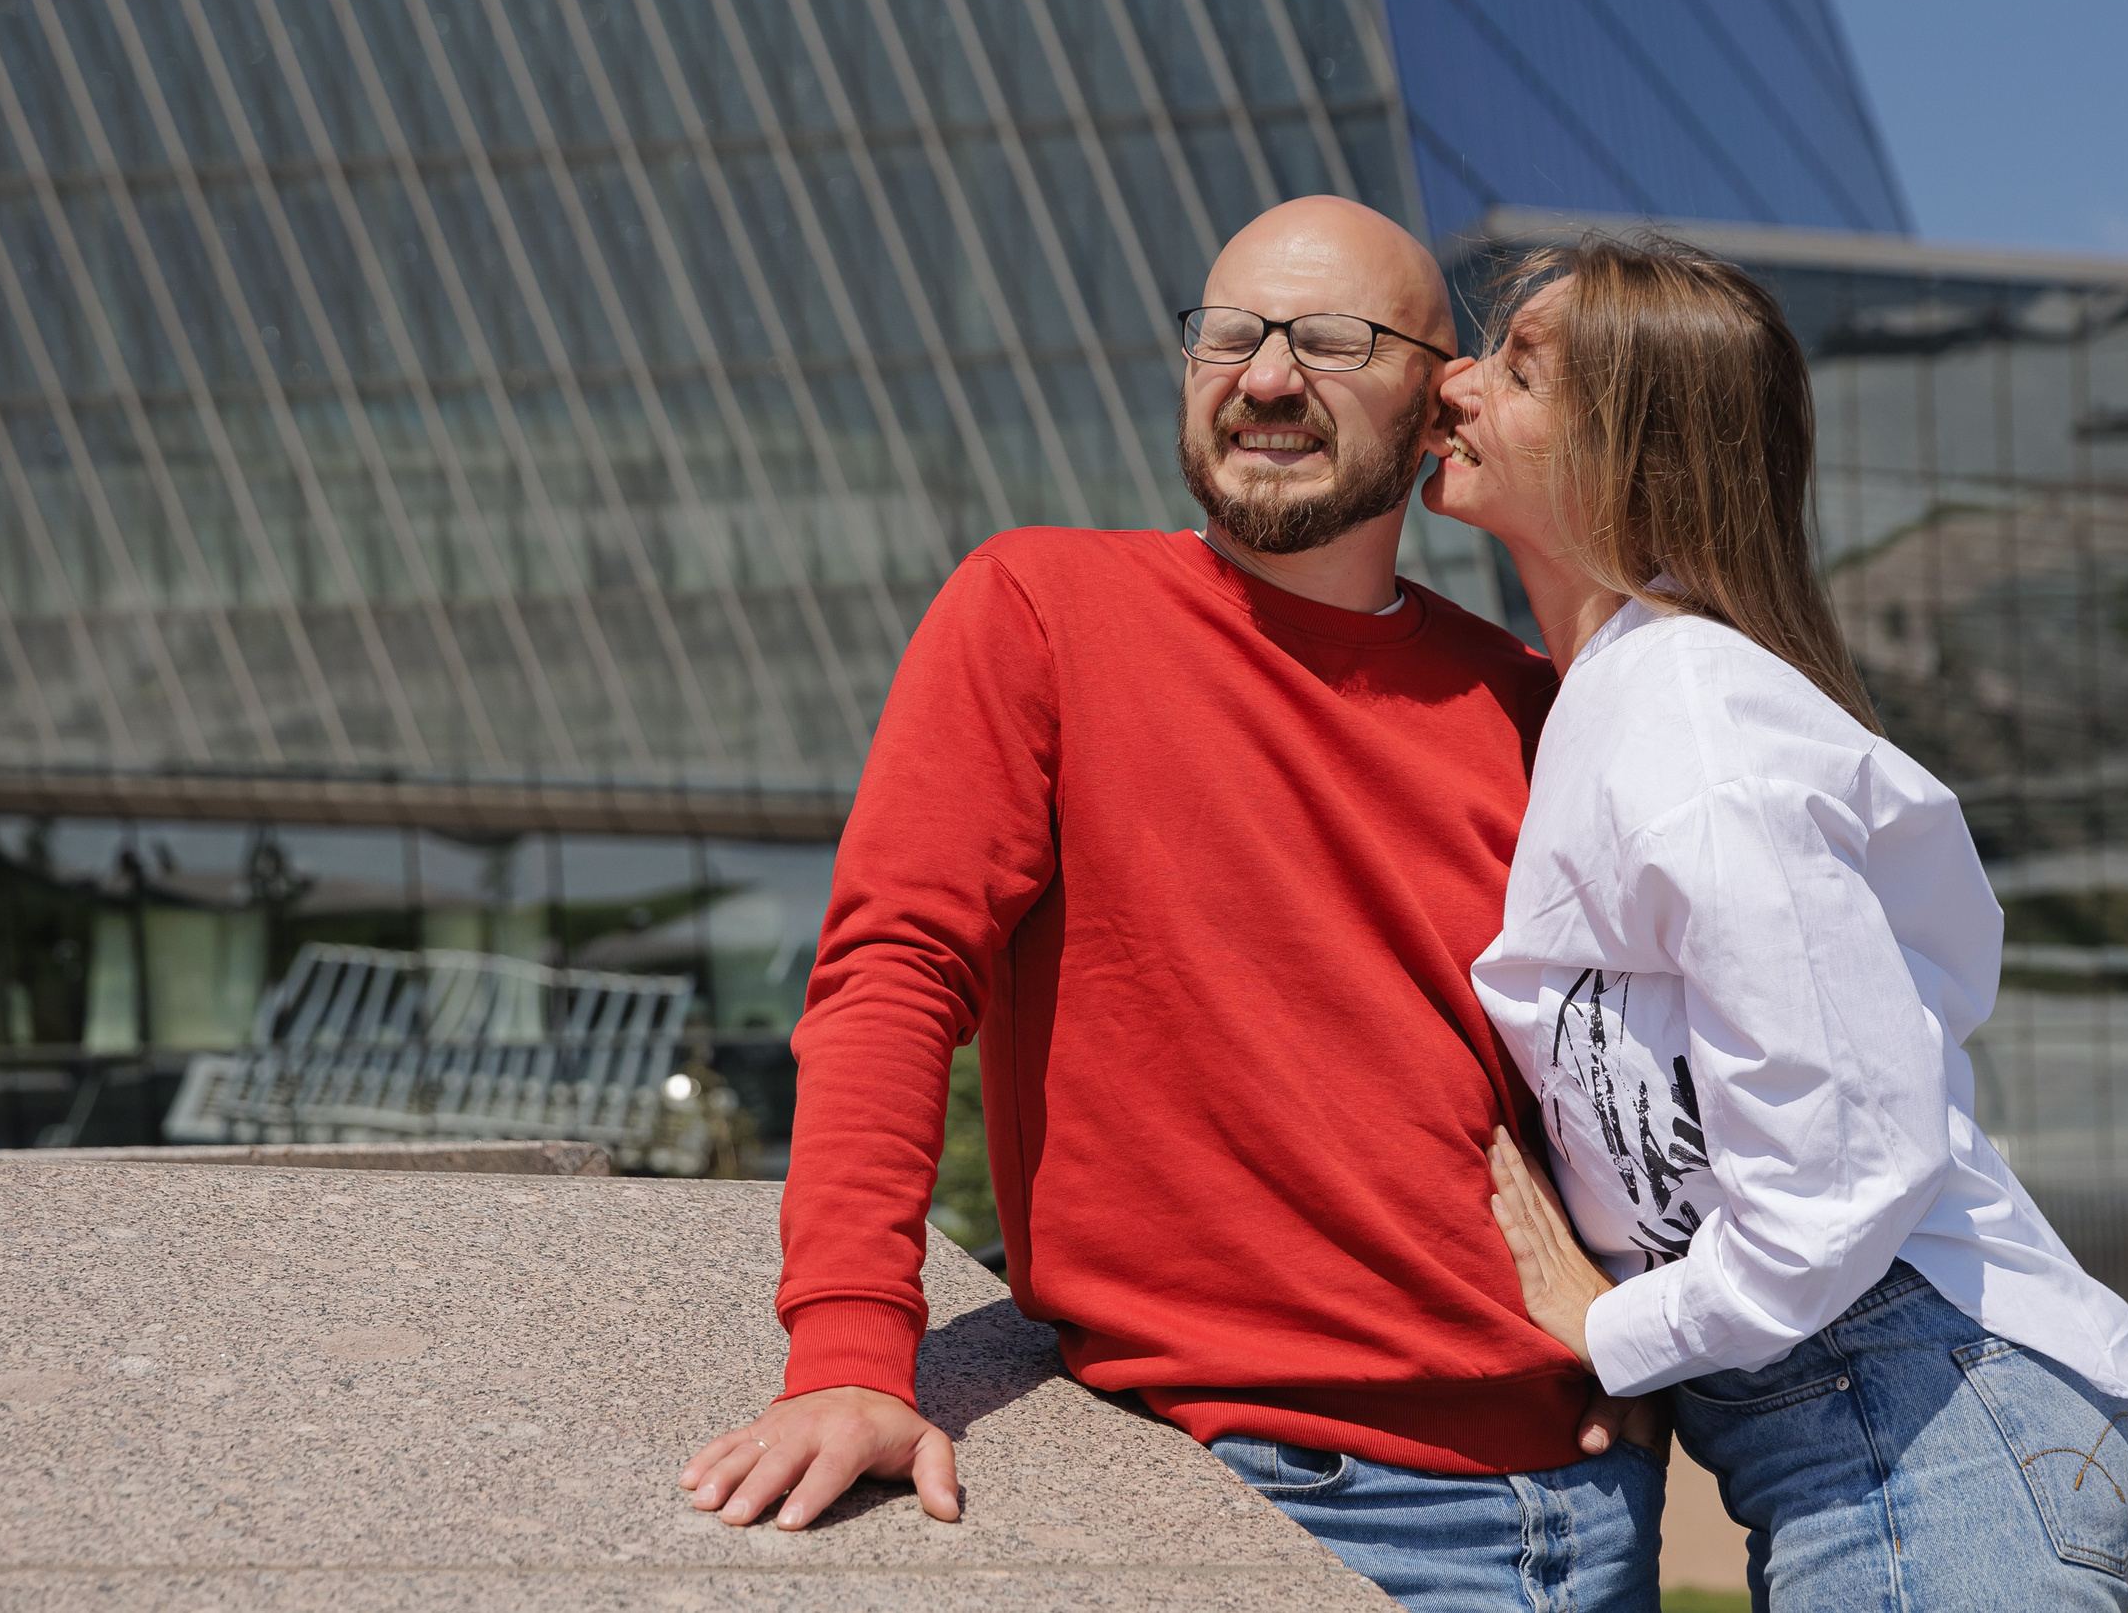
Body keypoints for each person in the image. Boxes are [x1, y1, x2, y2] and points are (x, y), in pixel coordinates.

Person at [680, 197, 1661, 1612]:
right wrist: (846, 1351)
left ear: (1440, 397)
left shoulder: (1529, 697)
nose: (1266, 378)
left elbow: (1647, 1070)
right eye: (1229, 334)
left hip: (1591, 1493)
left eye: (1330, 341)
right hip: (1282, 1498)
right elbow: (894, 970)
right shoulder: (1042, 605)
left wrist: (1648, 1339)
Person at [1424, 233, 2128, 1611]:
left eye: (1519, 370)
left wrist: (1621, 1322)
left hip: (1918, 1422)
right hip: (1873, 1427)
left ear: (1627, 451)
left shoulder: (1695, 721)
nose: (1456, 384)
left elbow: (1845, 1156)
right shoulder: (1617, 705)